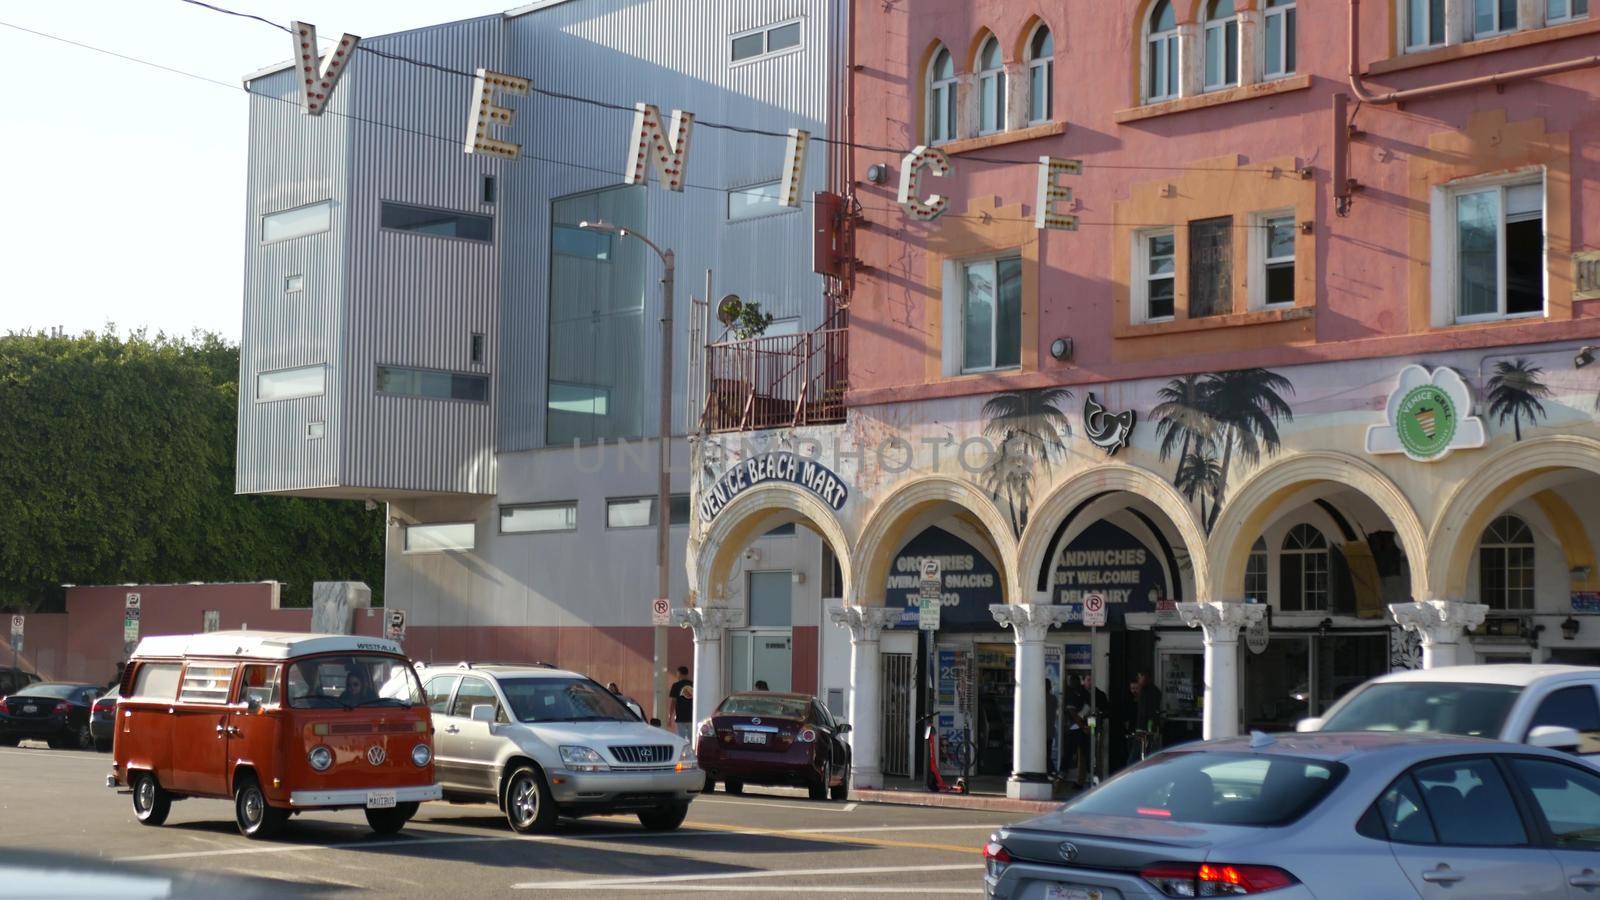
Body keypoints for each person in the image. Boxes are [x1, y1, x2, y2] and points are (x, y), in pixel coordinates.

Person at [1062, 674, 1091, 787]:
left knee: (1069, 754)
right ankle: (1080, 780)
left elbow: (1073, 713)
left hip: (1075, 729)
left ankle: (1062, 777)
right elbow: (1090, 711)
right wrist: (1087, 727)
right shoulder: (1086, 694)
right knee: (1082, 756)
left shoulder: (1072, 694)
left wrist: (1084, 726)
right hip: (1082, 728)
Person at [668, 666, 693, 740]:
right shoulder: (693, 685)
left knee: (681, 738)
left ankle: (682, 751)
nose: (677, 675)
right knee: (692, 738)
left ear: (680, 674)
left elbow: (673, 702)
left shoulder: (676, 685)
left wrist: (670, 717)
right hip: (691, 716)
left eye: (677, 673)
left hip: (680, 716)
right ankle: (692, 751)